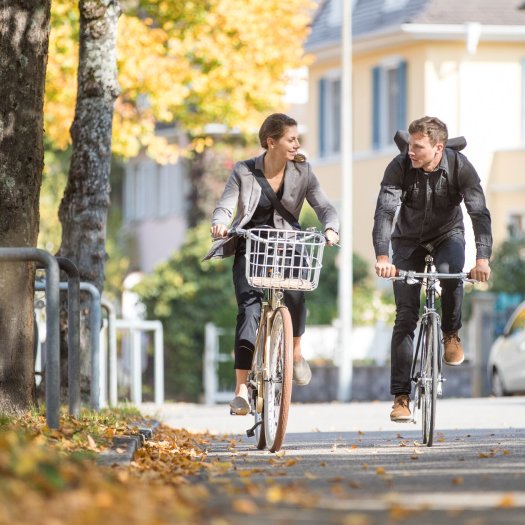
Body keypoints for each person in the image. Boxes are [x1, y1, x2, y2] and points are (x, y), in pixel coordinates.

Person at [204, 113, 339, 415]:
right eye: (291, 139)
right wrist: (220, 223)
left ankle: (294, 352)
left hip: (289, 244)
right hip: (252, 246)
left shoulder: (303, 171)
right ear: (271, 141)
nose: (297, 144)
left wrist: (331, 227)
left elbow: (324, 206)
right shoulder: (245, 171)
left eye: (297, 139)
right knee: (249, 311)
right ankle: (241, 389)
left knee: (296, 293)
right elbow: (226, 204)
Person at [372, 116, 492, 422]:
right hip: (407, 241)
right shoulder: (399, 166)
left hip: (447, 235)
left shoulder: (459, 167)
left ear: (438, 147)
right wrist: (383, 257)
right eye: (410, 145)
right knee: (405, 316)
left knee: (452, 274)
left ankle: (450, 334)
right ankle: (401, 397)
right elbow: (385, 211)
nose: (410, 151)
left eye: (418, 146)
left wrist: (482, 259)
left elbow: (478, 211)